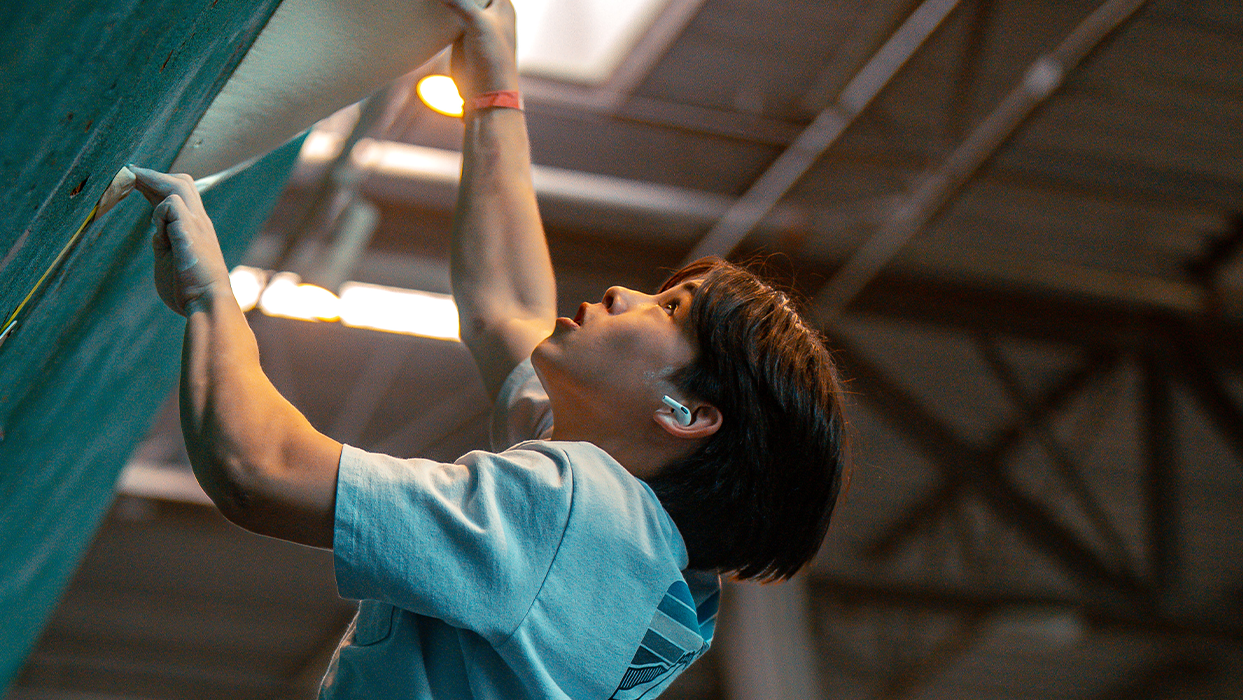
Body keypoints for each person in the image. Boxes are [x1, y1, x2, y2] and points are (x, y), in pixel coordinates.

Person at [123, 0, 847, 696]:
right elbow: (507, 311)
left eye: (668, 310)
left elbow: (261, 469)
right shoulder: (636, 558)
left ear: (686, 415)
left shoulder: (579, 519)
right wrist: (495, 88)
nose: (627, 295)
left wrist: (211, 298)